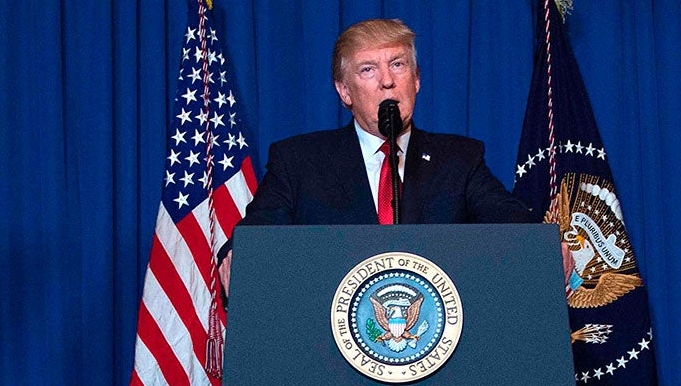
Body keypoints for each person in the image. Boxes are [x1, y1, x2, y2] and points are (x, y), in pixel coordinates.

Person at [223, 18, 549, 291]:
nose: (388, 81)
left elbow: (511, 222)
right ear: (344, 91)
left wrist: (543, 243)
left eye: (397, 64)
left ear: (417, 79)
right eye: (368, 69)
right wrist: (239, 255)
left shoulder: (459, 160)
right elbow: (255, 234)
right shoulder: (299, 161)